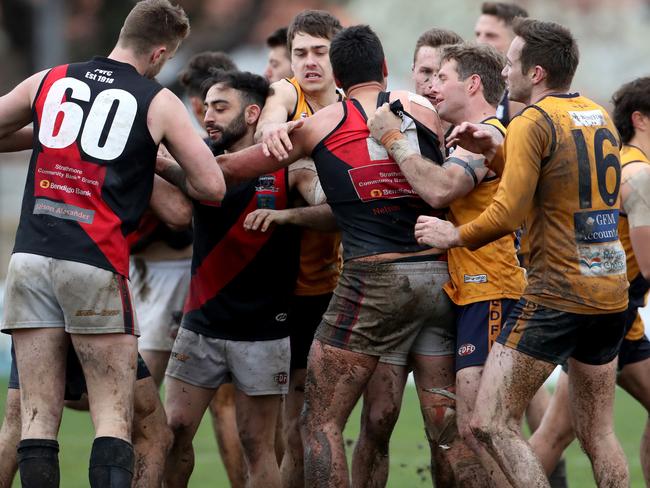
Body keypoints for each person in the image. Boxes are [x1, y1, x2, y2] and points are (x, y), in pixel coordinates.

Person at [215, 25, 493, 488]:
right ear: (385, 70)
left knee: (319, 422)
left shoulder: (321, 123)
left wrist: (163, 159)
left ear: (337, 78)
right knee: (446, 430)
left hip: (372, 281)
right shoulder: (429, 112)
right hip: (439, 277)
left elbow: (232, 169)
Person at [0, 0, 225, 486]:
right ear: (160, 52)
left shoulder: (51, 78)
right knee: (113, 417)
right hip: (93, 261)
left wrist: (50, 138)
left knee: (37, 418)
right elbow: (211, 187)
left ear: (123, 32)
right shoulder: (156, 99)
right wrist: (155, 157)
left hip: (29, 257)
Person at [413, 18, 629, 487]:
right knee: (599, 434)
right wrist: (497, 149)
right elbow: (559, 184)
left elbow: (509, 213)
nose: (505, 71)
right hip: (611, 293)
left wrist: (453, 236)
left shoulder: (532, 119)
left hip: (558, 295)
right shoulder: (598, 114)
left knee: (489, 422)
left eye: (511, 62)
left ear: (536, 73)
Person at [159, 69, 330, 488]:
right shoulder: (198, 159)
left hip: (264, 332)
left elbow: (332, 211)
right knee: (173, 432)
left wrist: (287, 215)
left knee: (258, 446)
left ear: (253, 113)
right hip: (200, 326)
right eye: (206, 107)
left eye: (221, 107)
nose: (208, 116)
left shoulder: (289, 166)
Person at [352, 28, 464, 488]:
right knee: (379, 417)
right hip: (386, 286)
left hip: (450, 291)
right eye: (423, 72)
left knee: (446, 426)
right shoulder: (383, 123)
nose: (430, 84)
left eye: (440, 74)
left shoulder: (471, 136)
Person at [529, 76, 650, 485]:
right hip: (604, 311)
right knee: (557, 433)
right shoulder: (638, 173)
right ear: (641, 119)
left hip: (619, 313)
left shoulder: (626, 163)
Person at [254, 11, 343, 487]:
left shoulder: (355, 107)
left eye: (320, 52)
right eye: (301, 53)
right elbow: (274, 105)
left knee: (328, 419)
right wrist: (271, 126)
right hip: (283, 286)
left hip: (336, 285)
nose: (309, 63)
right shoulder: (288, 95)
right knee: (283, 420)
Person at [175, 49, 248, 488]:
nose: (200, 115)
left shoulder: (208, 152)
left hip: (200, 286)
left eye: (205, 107)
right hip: (190, 284)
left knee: (223, 407)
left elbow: (180, 216)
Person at [474, 2, 527, 127]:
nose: (480, 42)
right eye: (478, 34)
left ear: (516, 41)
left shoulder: (522, 92)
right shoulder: (469, 82)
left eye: (491, 36)